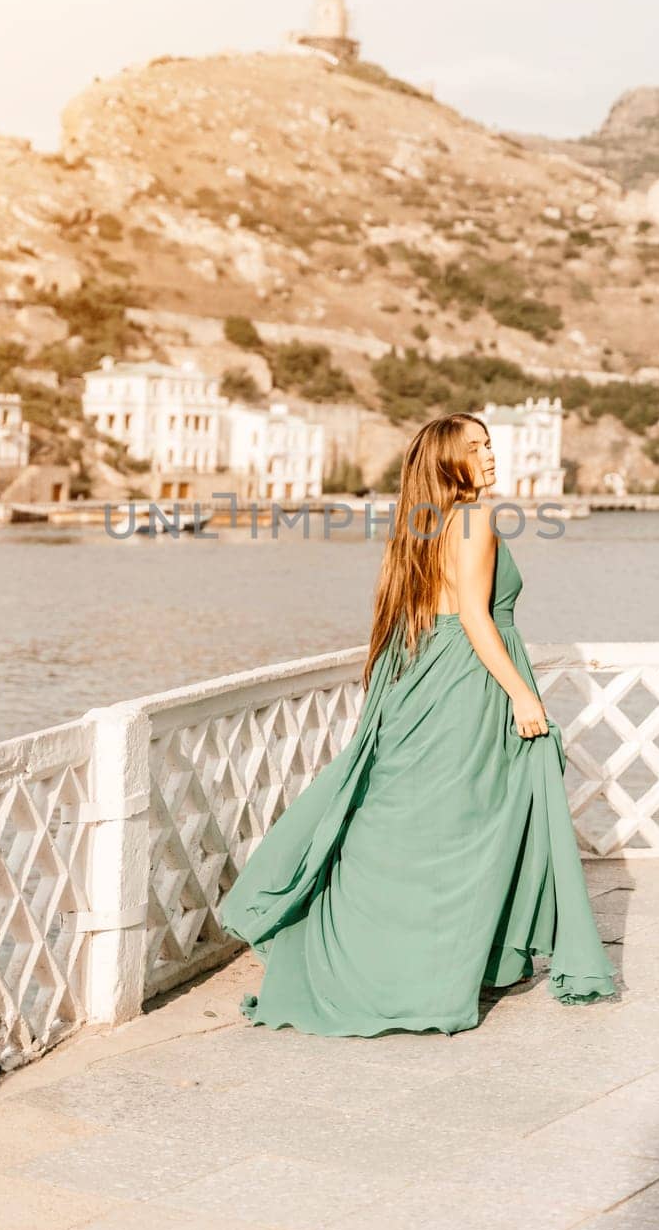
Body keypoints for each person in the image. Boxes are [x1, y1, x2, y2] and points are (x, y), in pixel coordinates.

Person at [219, 412, 617, 1036]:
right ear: (448, 462)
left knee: (407, 826)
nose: (491, 456)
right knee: (459, 829)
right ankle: (426, 974)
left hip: (420, 672)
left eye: (491, 445)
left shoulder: (420, 523)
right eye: (476, 448)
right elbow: (477, 619)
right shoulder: (476, 519)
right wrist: (521, 694)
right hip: (466, 681)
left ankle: (397, 964)